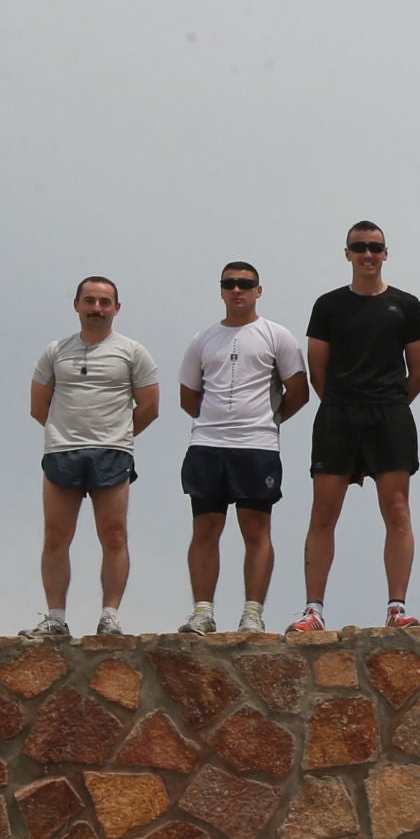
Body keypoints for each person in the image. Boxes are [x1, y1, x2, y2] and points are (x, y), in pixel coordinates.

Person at [292, 221, 420, 632]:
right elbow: (318, 371)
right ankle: (313, 610)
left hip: (389, 414)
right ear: (348, 253)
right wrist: (342, 402)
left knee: (397, 510)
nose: (367, 254)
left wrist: (388, 403)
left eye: (375, 247)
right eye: (359, 247)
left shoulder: (406, 305)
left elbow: (419, 372)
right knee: (323, 512)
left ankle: (396, 608)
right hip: (338, 414)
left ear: (386, 253)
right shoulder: (328, 305)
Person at [175, 262, 307, 634]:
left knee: (256, 529)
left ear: (258, 290)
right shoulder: (203, 338)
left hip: (256, 445)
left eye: (245, 285)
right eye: (230, 284)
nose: (238, 291)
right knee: (205, 527)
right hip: (207, 444)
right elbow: (188, 395)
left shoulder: (276, 335)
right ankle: (202, 611)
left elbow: (298, 391)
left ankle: (252, 613)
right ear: (220, 290)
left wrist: (268, 420)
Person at [27, 276, 161, 636]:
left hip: (112, 454)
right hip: (62, 452)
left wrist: (116, 435)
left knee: (114, 535)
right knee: (56, 536)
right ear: (76, 305)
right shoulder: (55, 351)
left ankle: (110, 616)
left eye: (105, 302)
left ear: (117, 308)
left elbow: (149, 407)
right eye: (90, 301)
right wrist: (67, 434)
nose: (97, 309)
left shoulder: (133, 352)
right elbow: (39, 406)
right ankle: (55, 617)